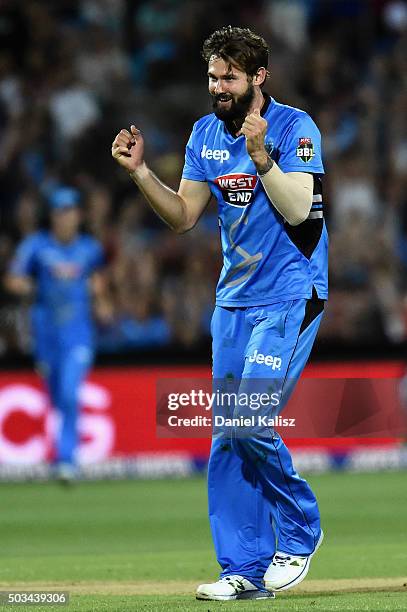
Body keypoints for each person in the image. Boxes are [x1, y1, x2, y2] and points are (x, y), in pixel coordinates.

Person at [112, 25, 327, 601]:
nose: (218, 87)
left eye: (228, 77)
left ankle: (302, 532)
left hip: (290, 292)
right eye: (212, 76)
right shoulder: (204, 134)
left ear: (259, 76)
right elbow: (184, 216)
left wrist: (260, 156)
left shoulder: (294, 128)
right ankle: (244, 569)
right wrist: (140, 174)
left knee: (249, 420)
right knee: (226, 434)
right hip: (233, 301)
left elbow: (301, 211)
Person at [5, 187, 108, 482]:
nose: (66, 218)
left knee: (70, 391)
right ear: (52, 216)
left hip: (78, 333)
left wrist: (102, 304)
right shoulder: (36, 247)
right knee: (56, 396)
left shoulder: (89, 249)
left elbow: (98, 282)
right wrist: (29, 287)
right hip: (46, 334)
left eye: (71, 211)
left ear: (78, 215)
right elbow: (13, 279)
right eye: (61, 212)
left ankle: (67, 459)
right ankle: (61, 452)